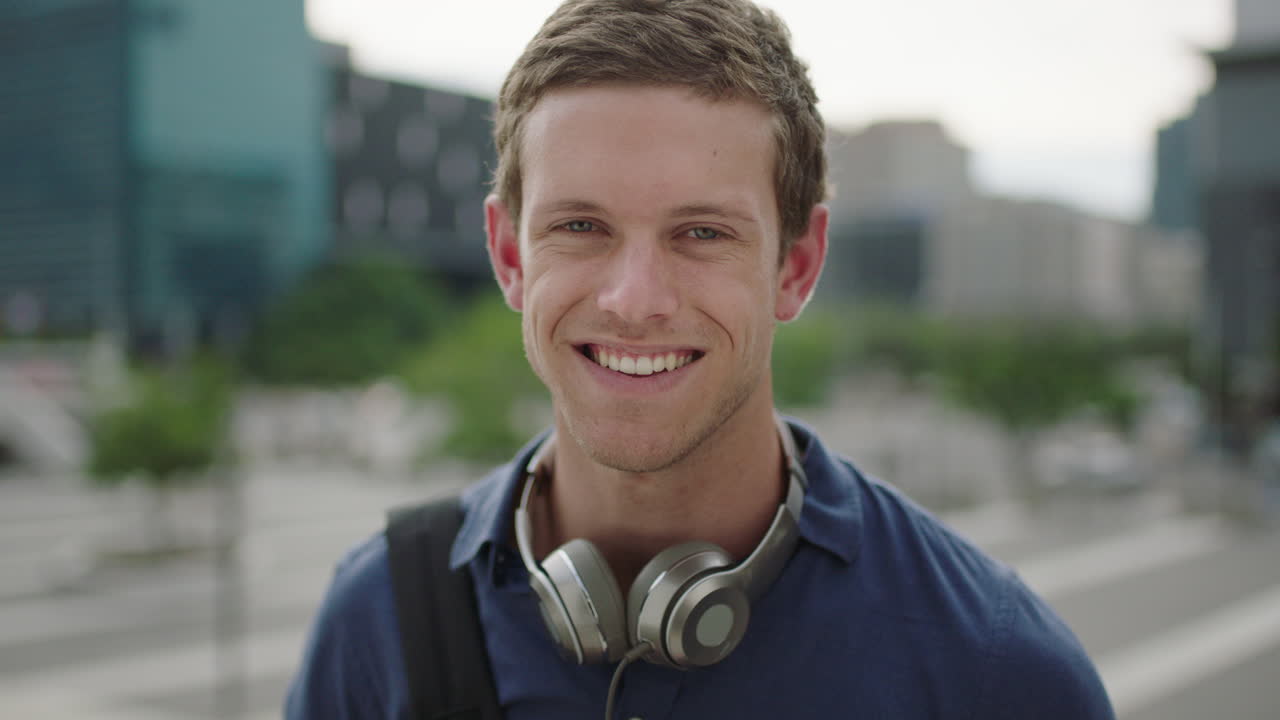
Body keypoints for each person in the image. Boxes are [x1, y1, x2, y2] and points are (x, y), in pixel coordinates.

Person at [286, 0, 1116, 718]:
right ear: (509, 255)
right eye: (581, 227)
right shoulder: (377, 625)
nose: (634, 299)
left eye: (702, 233)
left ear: (796, 265)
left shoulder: (998, 674)